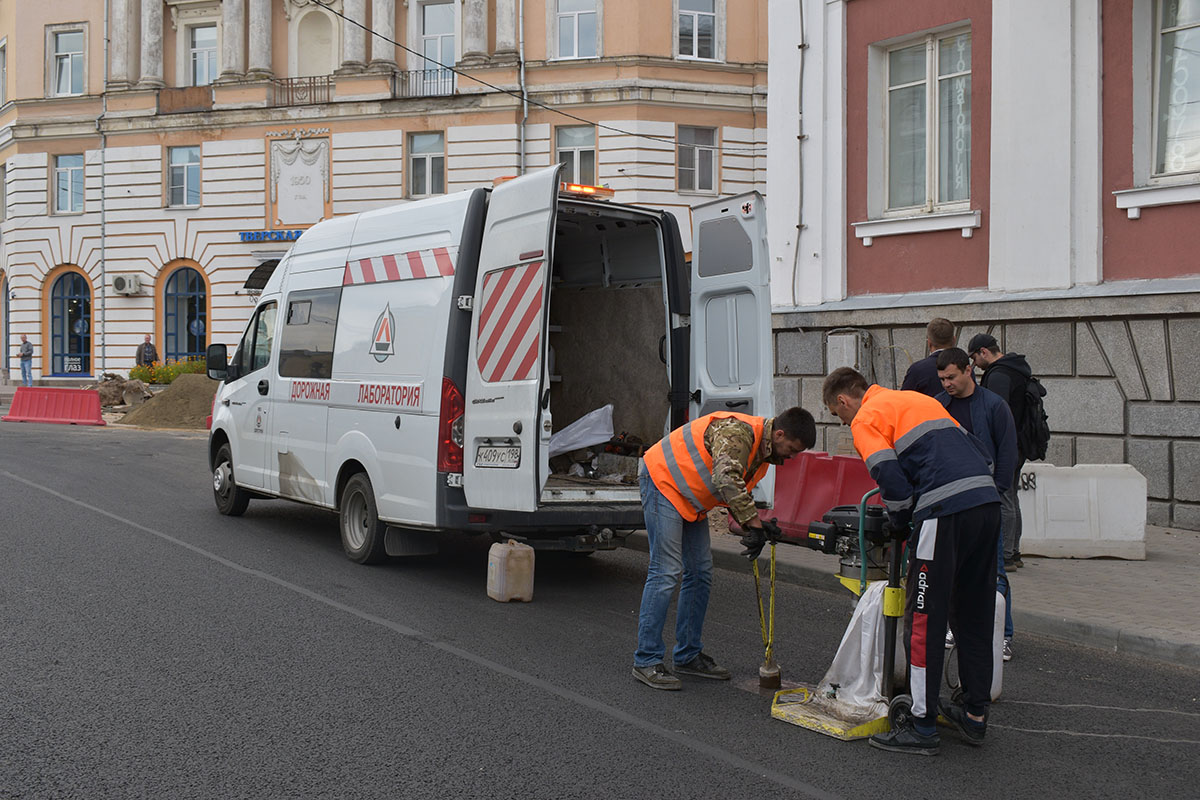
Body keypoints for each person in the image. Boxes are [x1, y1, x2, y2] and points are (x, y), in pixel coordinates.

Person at [823, 367, 1000, 755]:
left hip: (943, 512)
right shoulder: (918, 400)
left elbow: (891, 479)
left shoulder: (867, 417)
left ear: (844, 401)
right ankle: (974, 715)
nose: (845, 422)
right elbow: (982, 453)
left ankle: (920, 725)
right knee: (974, 615)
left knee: (923, 619)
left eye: (840, 416)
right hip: (986, 507)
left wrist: (901, 522)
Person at [633, 406, 817, 690]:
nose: (791, 457)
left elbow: (732, 490)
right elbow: (726, 478)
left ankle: (688, 655)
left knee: (701, 572)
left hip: (690, 496)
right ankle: (646, 659)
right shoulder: (738, 433)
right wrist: (753, 524)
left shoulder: (763, 451)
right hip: (663, 482)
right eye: (791, 449)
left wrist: (756, 525)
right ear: (779, 434)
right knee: (666, 571)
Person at [936, 347, 1017, 662]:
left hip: (985, 503)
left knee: (994, 572)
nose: (947, 384)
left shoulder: (994, 406)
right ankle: (957, 627)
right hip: (949, 502)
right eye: (942, 379)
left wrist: (995, 493)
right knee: (953, 568)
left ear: (969, 370)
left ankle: (1004, 634)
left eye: (951, 377)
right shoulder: (938, 406)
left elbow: (1007, 454)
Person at [968, 333, 1033, 569]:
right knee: (1012, 498)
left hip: (1006, 445)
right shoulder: (1018, 368)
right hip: (1020, 443)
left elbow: (994, 414)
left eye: (975, 358)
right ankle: (1014, 551)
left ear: (984, 352)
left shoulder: (999, 375)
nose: (975, 365)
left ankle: (1005, 555)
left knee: (1004, 497)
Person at [901, 317, 956, 397]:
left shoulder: (917, 370)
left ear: (929, 343)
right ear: (954, 340)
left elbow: (904, 399)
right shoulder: (964, 368)